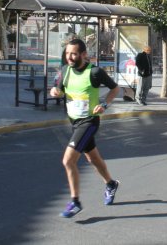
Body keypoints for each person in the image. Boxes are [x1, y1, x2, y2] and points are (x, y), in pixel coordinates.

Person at [49, 39, 120, 218]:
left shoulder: (94, 72)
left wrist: (104, 104)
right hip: (75, 122)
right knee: (93, 158)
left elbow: (115, 88)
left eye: (73, 54)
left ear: (83, 54)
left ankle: (75, 202)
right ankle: (111, 183)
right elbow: (59, 90)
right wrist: (55, 92)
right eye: (67, 53)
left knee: (68, 161)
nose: (69, 57)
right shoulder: (65, 70)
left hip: (89, 122)